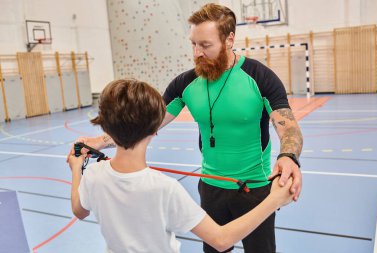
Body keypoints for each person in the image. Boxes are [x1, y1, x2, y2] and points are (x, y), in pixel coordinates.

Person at [68, 3, 303, 253]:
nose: (197, 53)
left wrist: (288, 156)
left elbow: (288, 127)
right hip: (211, 186)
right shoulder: (185, 83)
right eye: (193, 44)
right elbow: (143, 122)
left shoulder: (260, 77)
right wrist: (101, 141)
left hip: (254, 187)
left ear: (229, 39)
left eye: (205, 45)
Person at [68, 79, 294, 253]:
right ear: (155, 129)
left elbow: (79, 210)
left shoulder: (95, 174)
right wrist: (274, 199)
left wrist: (77, 168)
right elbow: (221, 239)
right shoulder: (164, 188)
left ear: (106, 127)